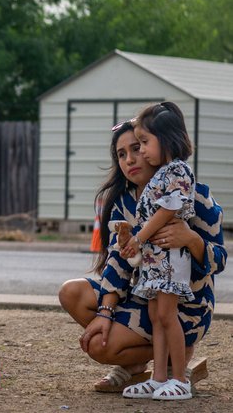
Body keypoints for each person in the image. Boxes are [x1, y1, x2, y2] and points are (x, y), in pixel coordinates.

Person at [58, 112, 226, 395]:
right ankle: (138, 366)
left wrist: (192, 239)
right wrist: (105, 312)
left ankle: (178, 359)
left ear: (158, 146)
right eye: (121, 154)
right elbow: (118, 261)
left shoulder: (195, 195)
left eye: (138, 147)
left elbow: (219, 260)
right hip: (145, 292)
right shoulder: (124, 203)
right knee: (70, 293)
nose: (130, 159)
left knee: (104, 348)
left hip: (186, 303)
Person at [118, 102, 195, 400]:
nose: (142, 152)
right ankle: (158, 376)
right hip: (154, 262)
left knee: (167, 314)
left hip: (170, 260)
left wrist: (139, 238)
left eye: (146, 143)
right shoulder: (161, 173)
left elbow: (168, 210)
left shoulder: (178, 171)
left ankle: (179, 379)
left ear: (168, 139)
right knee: (155, 315)